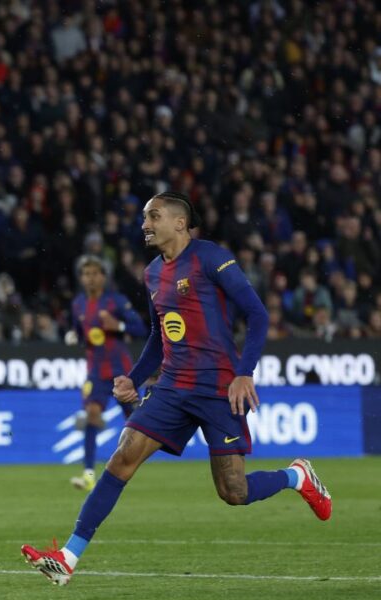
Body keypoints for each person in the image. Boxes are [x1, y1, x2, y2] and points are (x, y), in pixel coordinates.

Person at [22, 192, 331, 586]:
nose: (144, 224)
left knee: (234, 491)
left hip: (219, 386)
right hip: (172, 385)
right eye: (144, 217)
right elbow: (158, 335)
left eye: (153, 216)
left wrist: (244, 372)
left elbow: (257, 313)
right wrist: (133, 378)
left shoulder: (211, 257)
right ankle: (67, 557)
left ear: (179, 223)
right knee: (122, 457)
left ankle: (297, 476)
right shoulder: (152, 273)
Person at [65, 254, 147, 491]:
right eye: (86, 274)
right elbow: (81, 334)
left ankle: (132, 463)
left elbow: (140, 328)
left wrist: (118, 325)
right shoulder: (78, 304)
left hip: (121, 372)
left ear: (103, 276)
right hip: (95, 372)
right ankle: (89, 474)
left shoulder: (116, 301)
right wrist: (75, 336)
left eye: (94, 274)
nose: (90, 278)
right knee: (91, 414)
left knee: (135, 422)